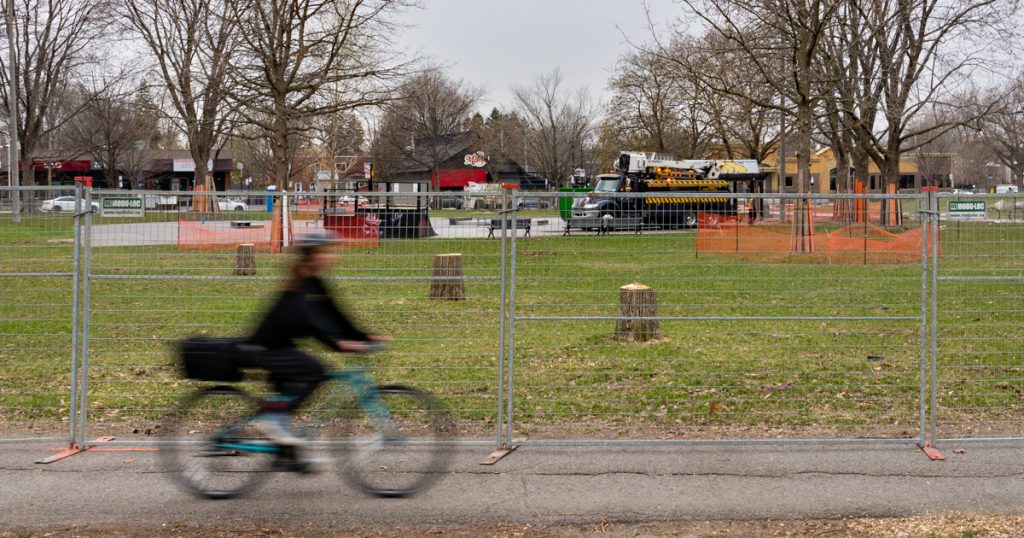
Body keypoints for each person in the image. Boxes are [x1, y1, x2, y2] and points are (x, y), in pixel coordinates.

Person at [237, 229, 387, 449]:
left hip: (282, 347)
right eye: (326, 251)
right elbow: (309, 323)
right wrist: (337, 344)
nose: (331, 256)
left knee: (292, 389)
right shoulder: (299, 284)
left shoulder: (314, 281)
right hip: (266, 349)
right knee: (315, 370)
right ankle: (272, 421)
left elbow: (336, 314)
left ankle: (287, 450)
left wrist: (363, 336)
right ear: (313, 254)